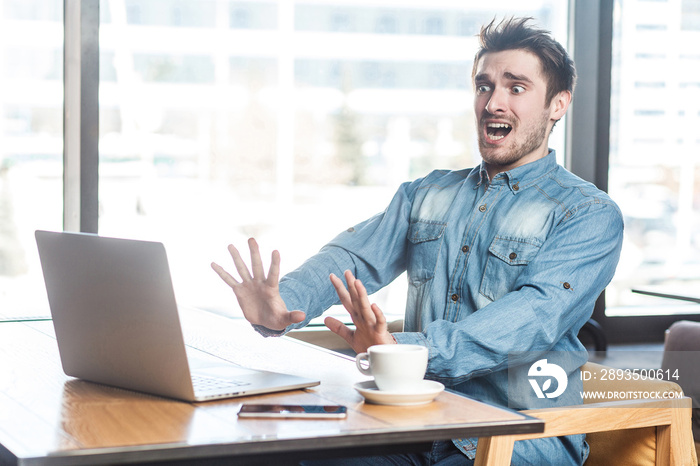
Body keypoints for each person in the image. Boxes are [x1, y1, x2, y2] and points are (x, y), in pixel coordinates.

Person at [212, 17, 623, 465]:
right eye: (484, 86)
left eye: (516, 88)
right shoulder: (426, 194)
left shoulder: (589, 214)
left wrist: (404, 357)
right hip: (417, 422)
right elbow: (351, 256)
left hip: (519, 435)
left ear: (557, 104)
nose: (493, 103)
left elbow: (534, 317)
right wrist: (282, 304)